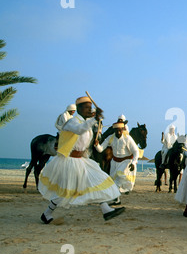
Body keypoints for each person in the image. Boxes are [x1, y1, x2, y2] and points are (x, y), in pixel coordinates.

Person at [38, 96, 125, 224]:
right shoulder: (71, 122)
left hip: (81, 160)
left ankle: (106, 210)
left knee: (97, 179)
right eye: (85, 107)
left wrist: (95, 120)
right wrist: (94, 119)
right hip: (69, 161)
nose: (88, 110)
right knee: (64, 192)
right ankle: (47, 213)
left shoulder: (87, 123)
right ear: (78, 108)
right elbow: (80, 130)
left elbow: (84, 141)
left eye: (90, 108)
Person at [95, 122, 140, 195]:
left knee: (119, 180)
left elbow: (136, 151)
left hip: (125, 163)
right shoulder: (110, 138)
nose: (118, 132)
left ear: (123, 130)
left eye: (120, 130)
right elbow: (100, 149)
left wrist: (134, 163)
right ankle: (116, 201)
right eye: (116, 130)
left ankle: (115, 198)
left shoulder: (127, 138)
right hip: (114, 163)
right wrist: (97, 145)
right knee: (113, 183)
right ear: (114, 130)